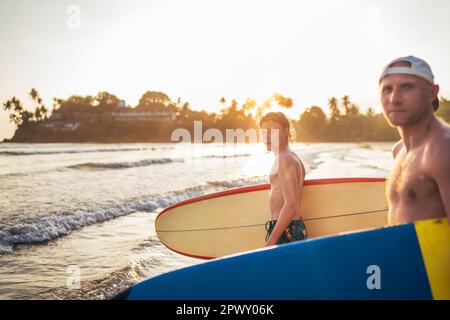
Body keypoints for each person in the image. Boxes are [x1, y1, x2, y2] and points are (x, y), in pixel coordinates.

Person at [379, 55, 450, 224]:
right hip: (406, 249)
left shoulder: (443, 149)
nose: (394, 99)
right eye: (387, 89)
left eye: (406, 87)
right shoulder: (399, 150)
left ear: (432, 93)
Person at [259, 112, 308, 246]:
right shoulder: (290, 157)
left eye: (271, 132)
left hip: (286, 230)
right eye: (264, 133)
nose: (267, 137)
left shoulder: (285, 159)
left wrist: (271, 240)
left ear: (286, 132)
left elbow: (291, 204)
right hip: (288, 227)